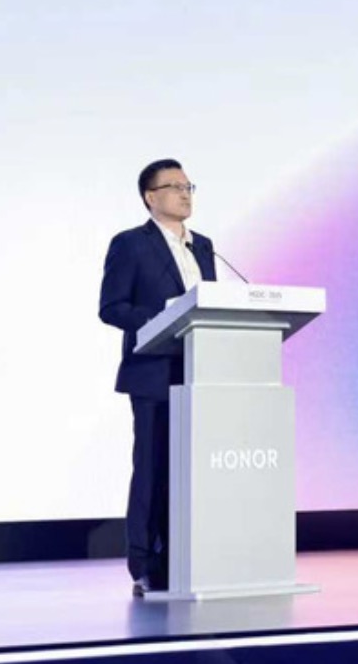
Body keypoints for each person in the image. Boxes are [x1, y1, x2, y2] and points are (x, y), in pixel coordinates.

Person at [98, 158, 216, 596]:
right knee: (152, 469)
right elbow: (112, 308)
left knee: (191, 473)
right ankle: (146, 564)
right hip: (153, 374)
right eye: (175, 187)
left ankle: (189, 558)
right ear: (151, 197)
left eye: (189, 187)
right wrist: (164, 316)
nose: (185, 194)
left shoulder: (203, 247)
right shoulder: (130, 244)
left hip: (200, 374)